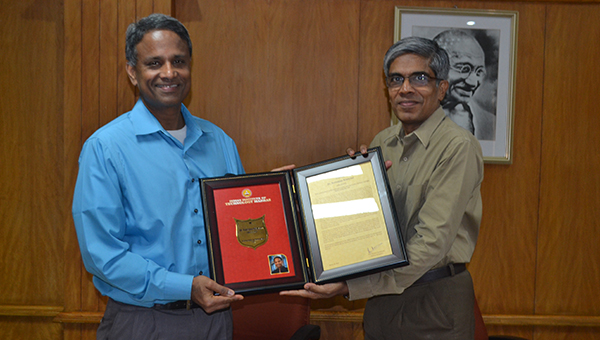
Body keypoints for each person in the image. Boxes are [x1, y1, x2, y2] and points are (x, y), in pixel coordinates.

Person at [281, 36, 484, 340]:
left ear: (442, 88)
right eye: (395, 79)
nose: (405, 88)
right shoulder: (382, 143)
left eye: (419, 78)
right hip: (381, 306)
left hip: (434, 305)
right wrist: (345, 184)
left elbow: (431, 242)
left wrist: (352, 286)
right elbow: (367, 227)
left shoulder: (458, 147)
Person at [72, 13, 245, 340]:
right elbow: (103, 256)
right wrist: (186, 287)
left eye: (178, 61)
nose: (169, 73)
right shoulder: (105, 149)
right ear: (132, 72)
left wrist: (279, 198)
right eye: (154, 63)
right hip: (143, 323)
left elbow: (241, 226)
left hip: (217, 322)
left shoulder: (221, 143)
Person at [433, 29, 496, 140]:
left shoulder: (491, 124)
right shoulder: (412, 116)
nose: (472, 83)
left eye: (479, 72)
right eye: (464, 69)